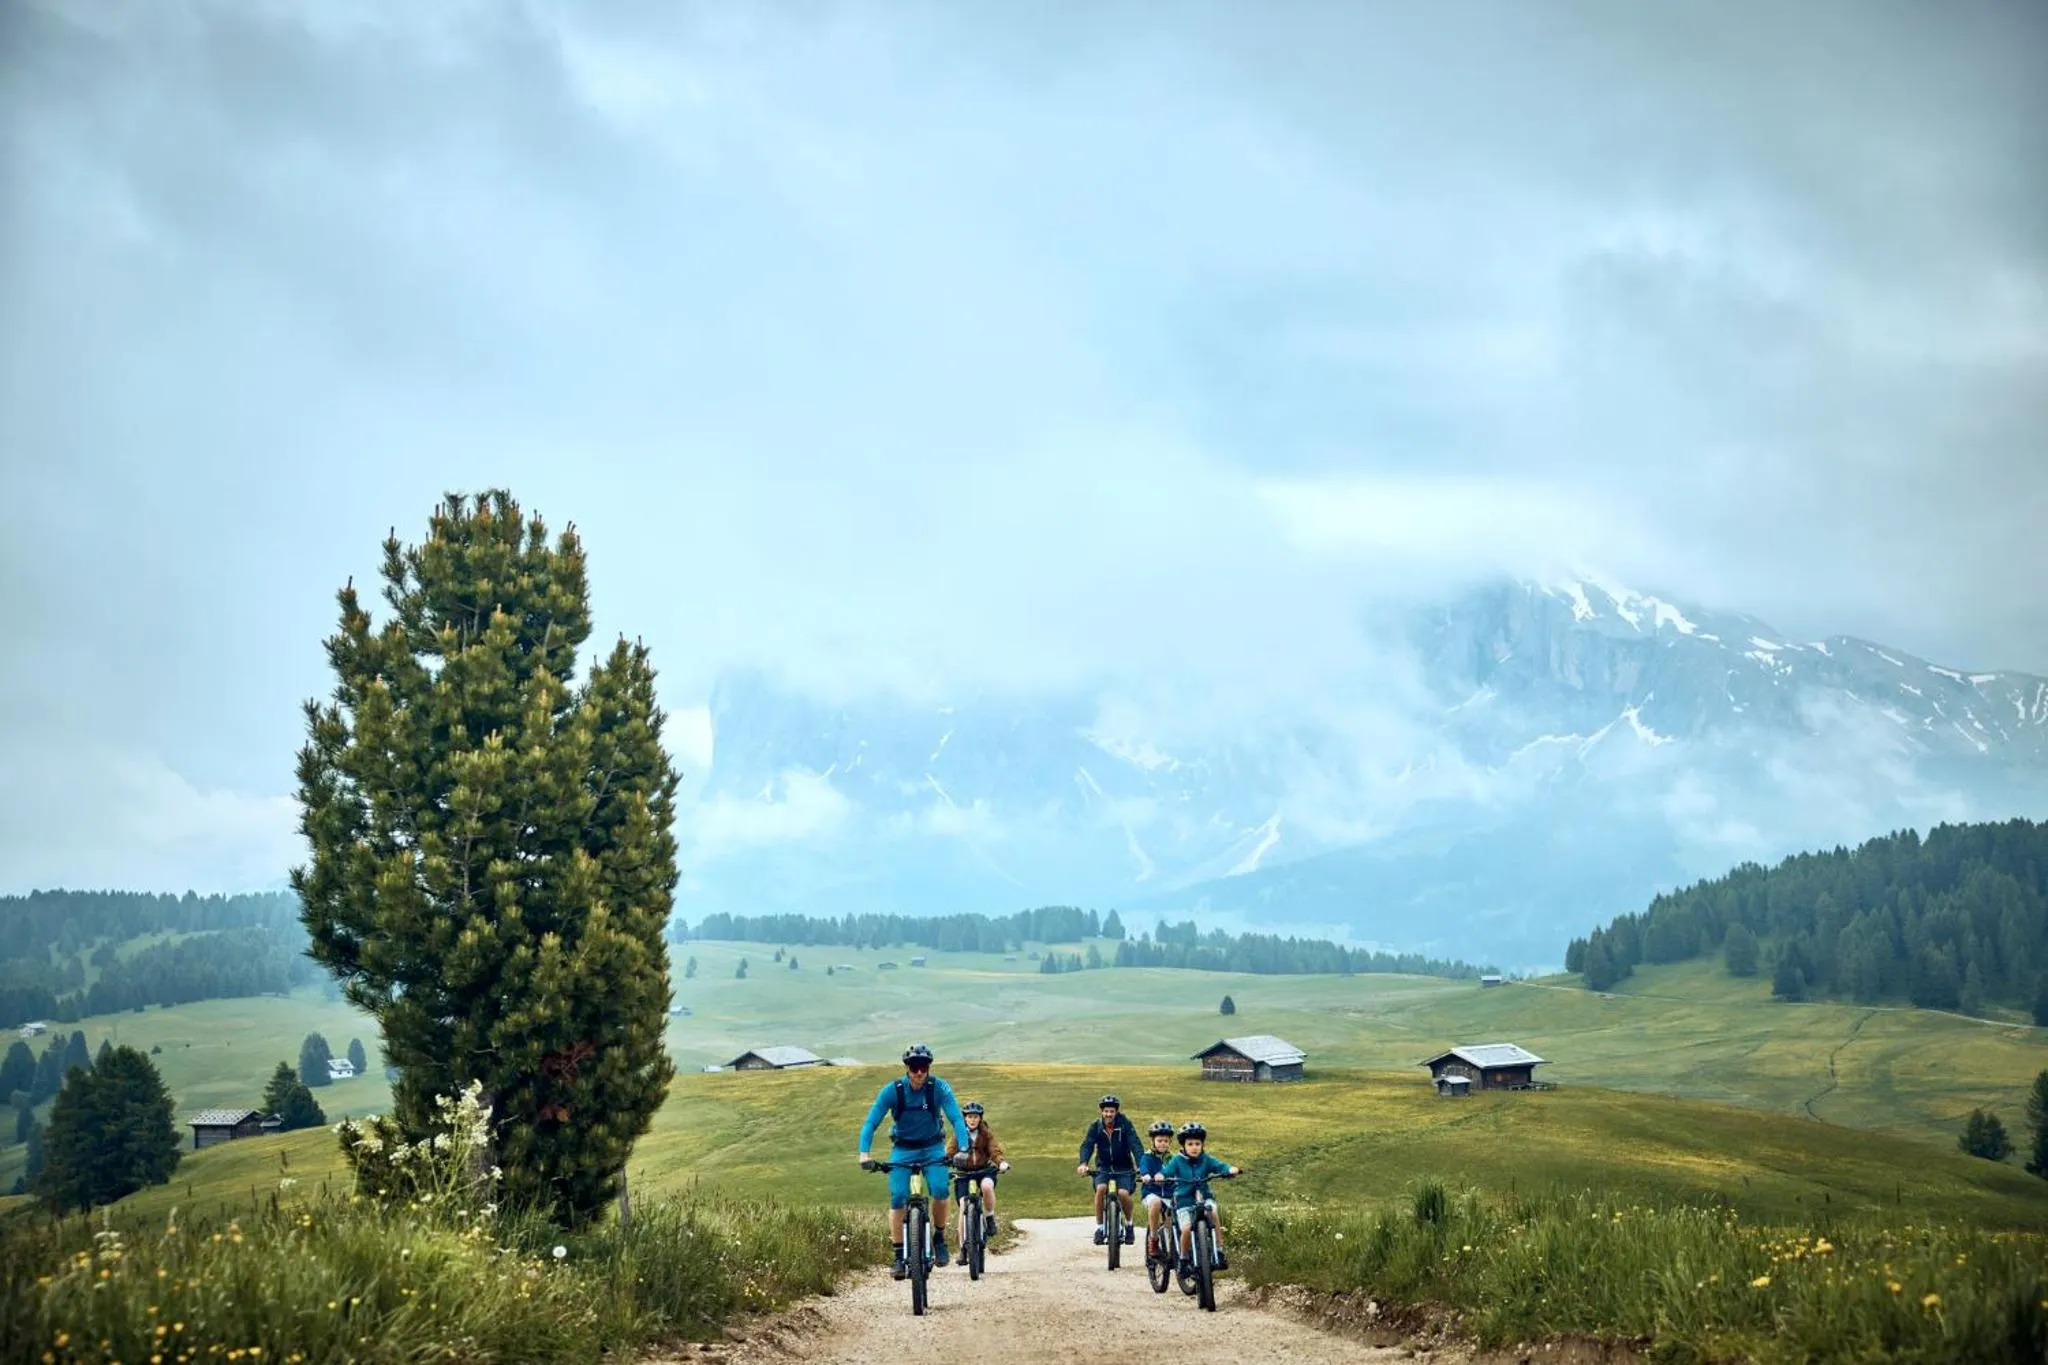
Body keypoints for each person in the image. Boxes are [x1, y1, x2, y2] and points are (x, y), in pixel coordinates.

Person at [859, 1042, 971, 1280]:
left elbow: (956, 1119)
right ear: (906, 1068)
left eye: (923, 1067)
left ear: (929, 1067)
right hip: (903, 1150)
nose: (919, 1072)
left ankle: (939, 1238)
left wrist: (963, 1148)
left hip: (933, 1148)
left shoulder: (938, 1088)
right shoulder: (894, 1090)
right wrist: (864, 1154)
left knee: (941, 1189)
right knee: (898, 1197)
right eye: (914, 1067)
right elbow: (871, 1122)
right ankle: (899, 1256)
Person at [1162, 1119, 1242, 1270]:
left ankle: (1219, 1250)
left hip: (1204, 1197)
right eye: (1190, 1144)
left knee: (1213, 1214)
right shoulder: (1176, 1160)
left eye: (1197, 1144)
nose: (1194, 1148)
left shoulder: (1206, 1159)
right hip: (1184, 1200)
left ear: (1202, 1145)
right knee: (1185, 1228)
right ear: (1183, 1145)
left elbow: (1220, 1166)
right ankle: (1184, 1259)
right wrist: (1160, 1175)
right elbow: (1166, 1172)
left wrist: (1230, 1169)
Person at [1075, 1093, 1144, 1245]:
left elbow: (1135, 1144)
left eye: (1112, 1111)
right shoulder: (1096, 1126)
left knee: (1123, 1193)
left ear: (1116, 1112)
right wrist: (1083, 1163)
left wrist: (1141, 1166)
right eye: (1106, 1111)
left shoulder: (1125, 1124)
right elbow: (1087, 1144)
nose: (1108, 1114)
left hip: (1124, 1167)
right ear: (1102, 1111)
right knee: (1101, 1189)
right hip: (1104, 1167)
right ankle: (1100, 1227)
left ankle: (1129, 1224)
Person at [944, 1100, 1010, 1246]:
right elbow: (949, 1152)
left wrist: (1001, 1162)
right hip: (963, 1174)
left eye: (975, 1117)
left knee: (987, 1186)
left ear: (980, 1118)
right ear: (964, 1118)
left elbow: (994, 1150)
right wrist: (943, 1162)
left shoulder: (986, 1134)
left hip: (983, 1171)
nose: (972, 1120)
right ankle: (963, 1248)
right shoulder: (958, 1134)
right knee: (963, 1206)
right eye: (969, 1117)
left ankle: (989, 1217)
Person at [1137, 1118, 1176, 1260]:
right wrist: (1146, 1175)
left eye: (1166, 1141)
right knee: (1156, 1203)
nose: (1163, 1144)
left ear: (1170, 1142)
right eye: (1159, 1140)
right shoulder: (1147, 1157)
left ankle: (1177, 1243)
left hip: (1170, 1193)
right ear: (1153, 1141)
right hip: (1152, 1192)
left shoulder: (1173, 1158)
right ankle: (1153, 1239)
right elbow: (1143, 1168)